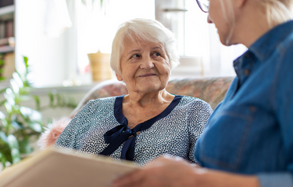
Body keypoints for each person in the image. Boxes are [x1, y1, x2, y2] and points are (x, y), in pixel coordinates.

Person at [112, 0, 293, 186]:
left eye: (207, 0)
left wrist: (196, 180)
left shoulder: (287, 58)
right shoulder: (248, 73)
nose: (208, 18)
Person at [55, 18, 213, 165]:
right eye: (135, 56)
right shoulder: (93, 110)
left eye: (157, 54)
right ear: (118, 71)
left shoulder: (193, 111)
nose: (148, 64)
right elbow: (54, 163)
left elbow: (210, 174)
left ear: (169, 64)